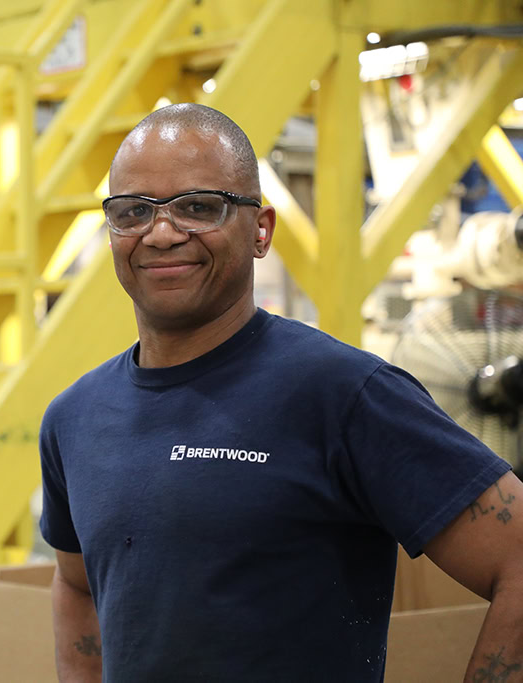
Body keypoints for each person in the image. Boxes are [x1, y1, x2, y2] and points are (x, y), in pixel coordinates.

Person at [38, 102, 523, 682]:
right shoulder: (74, 418)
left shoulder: (344, 395)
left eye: (199, 207)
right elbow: (74, 588)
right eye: (133, 211)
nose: (162, 233)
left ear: (260, 231)